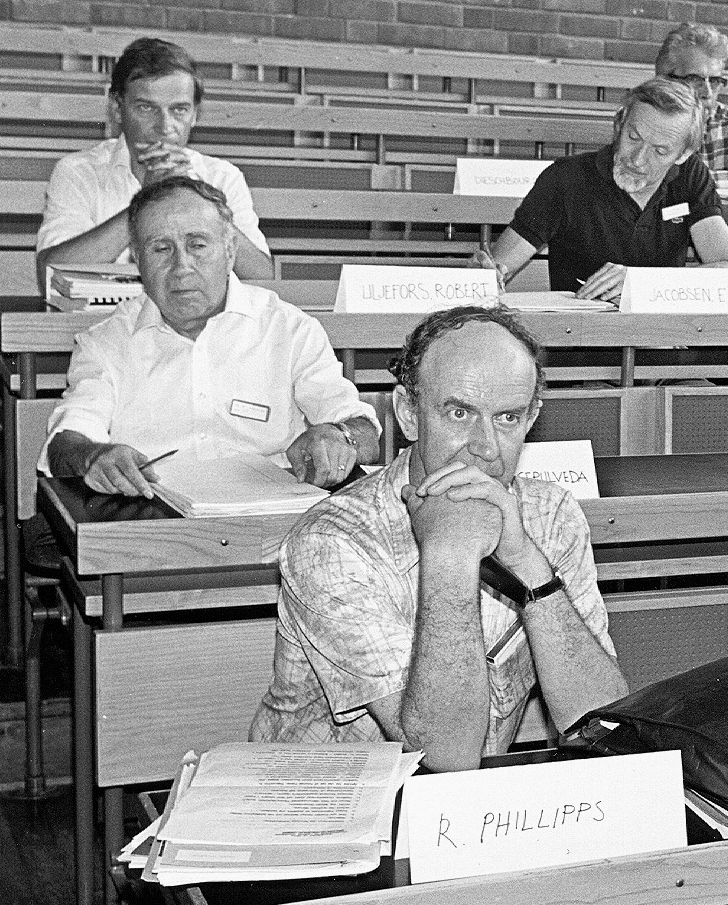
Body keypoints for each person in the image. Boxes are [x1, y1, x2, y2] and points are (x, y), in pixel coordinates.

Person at [251, 305, 629, 771]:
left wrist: (527, 565)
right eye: (459, 413)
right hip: (325, 794)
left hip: (465, 800)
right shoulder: (332, 543)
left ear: (532, 418)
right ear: (408, 414)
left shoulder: (550, 515)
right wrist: (450, 556)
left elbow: (601, 725)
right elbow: (445, 756)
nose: (485, 448)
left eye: (508, 418)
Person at [40, 176, 376, 496]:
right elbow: (67, 441)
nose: (181, 266)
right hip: (153, 513)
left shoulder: (289, 329)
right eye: (161, 249)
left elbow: (363, 431)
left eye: (197, 245)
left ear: (230, 251)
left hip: (276, 514)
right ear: (138, 260)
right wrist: (94, 456)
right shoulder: (106, 343)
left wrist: (339, 436)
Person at [476, 78, 728, 302]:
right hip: (581, 337)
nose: (638, 159)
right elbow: (498, 269)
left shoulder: (690, 176)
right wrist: (485, 275)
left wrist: (641, 282)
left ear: (683, 154)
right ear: (618, 125)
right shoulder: (566, 178)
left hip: (663, 337)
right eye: (633, 137)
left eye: (660, 151)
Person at [36, 37, 273, 289]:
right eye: (147, 108)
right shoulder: (78, 172)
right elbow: (50, 276)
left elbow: (263, 278)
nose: (165, 126)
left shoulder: (222, 176)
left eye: (179, 110)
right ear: (117, 108)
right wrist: (145, 203)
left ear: (194, 114)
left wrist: (197, 199)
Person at [655, 22, 728, 191]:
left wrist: (699, 181)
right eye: (695, 79)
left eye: (715, 81)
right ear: (666, 81)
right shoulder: (643, 118)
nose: (708, 92)